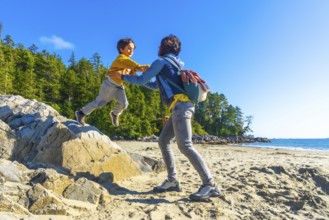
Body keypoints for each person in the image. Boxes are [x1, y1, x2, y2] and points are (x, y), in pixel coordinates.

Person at [108, 35, 220, 201]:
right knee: (163, 141)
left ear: (165, 46)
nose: (157, 48)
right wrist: (135, 77)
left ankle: (209, 184)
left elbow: (140, 80)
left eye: (159, 45)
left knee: (186, 145)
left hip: (181, 108)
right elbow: (154, 85)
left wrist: (122, 76)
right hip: (179, 108)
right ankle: (172, 181)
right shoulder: (174, 63)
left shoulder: (160, 62)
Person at [75, 38, 150, 126]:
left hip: (119, 86)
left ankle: (114, 114)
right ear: (121, 49)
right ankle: (81, 113)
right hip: (109, 85)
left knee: (124, 104)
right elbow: (138, 67)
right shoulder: (121, 59)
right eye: (129, 48)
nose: (131, 51)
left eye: (133, 49)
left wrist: (143, 79)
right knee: (99, 103)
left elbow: (134, 75)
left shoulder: (128, 64)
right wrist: (151, 68)